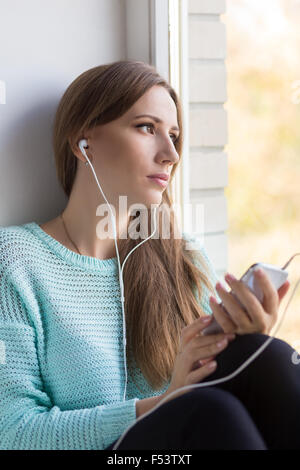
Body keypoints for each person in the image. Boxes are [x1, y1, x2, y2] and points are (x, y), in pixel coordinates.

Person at [0, 60, 297, 451]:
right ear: (82, 141)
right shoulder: (17, 260)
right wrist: (162, 403)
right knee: (206, 411)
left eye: (174, 136)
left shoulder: (183, 257)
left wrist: (243, 338)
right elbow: (14, 432)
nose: (170, 154)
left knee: (266, 356)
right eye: (147, 128)